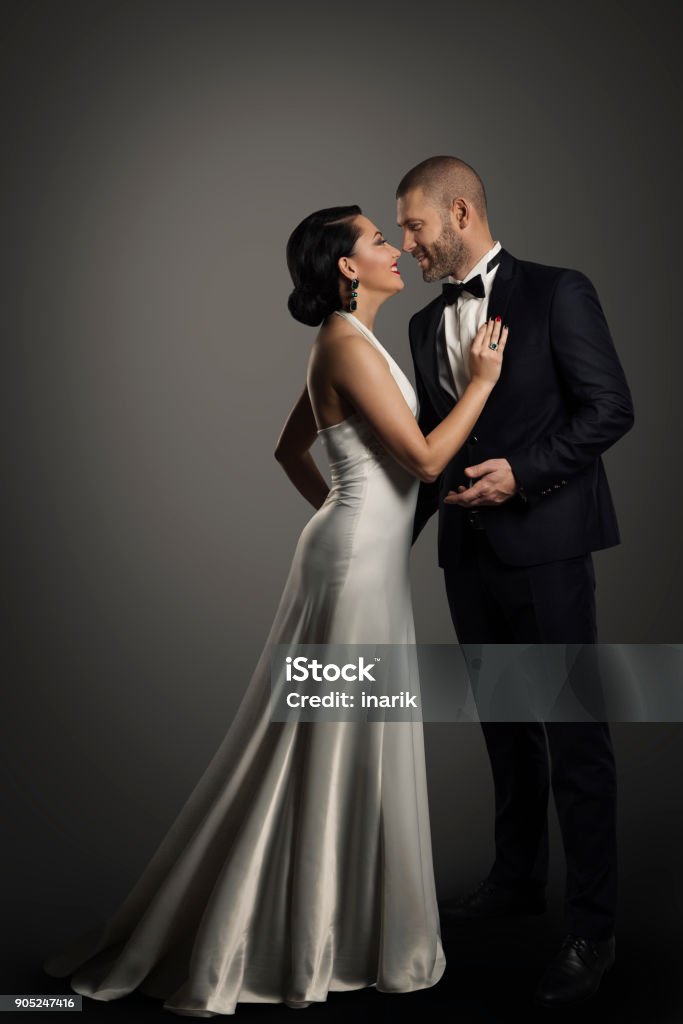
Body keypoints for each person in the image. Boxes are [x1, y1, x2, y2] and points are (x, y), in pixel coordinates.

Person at [43, 204, 508, 1016]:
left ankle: (342, 927)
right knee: (333, 738)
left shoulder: (349, 344)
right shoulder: (340, 341)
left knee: (349, 733)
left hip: (356, 560)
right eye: (377, 241)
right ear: (345, 270)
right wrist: (479, 385)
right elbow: (429, 460)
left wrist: (347, 515)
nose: (397, 248)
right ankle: (310, 939)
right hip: (355, 567)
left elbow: (289, 449)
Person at [396, 156, 634, 1008]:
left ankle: (591, 928)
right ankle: (516, 882)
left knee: (575, 739)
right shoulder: (424, 327)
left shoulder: (557, 290)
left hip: (548, 552)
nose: (406, 244)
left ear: (458, 212)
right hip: (468, 557)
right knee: (504, 731)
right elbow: (429, 450)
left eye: (414, 226)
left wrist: (521, 474)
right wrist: (373, 543)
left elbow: (609, 407)